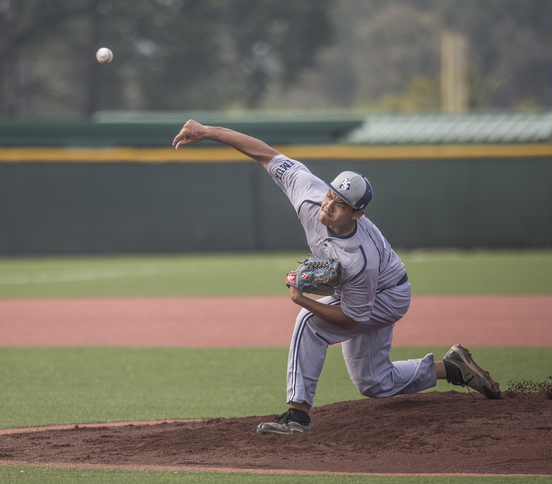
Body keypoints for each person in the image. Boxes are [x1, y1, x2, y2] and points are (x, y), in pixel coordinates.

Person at [172, 120, 501, 434]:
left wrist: (304, 299)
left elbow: (349, 318)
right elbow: (264, 154)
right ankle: (453, 368)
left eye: (340, 204)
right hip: (358, 285)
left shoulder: (360, 258)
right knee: (373, 382)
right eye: (330, 195)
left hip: (386, 295)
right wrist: (207, 131)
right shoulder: (309, 194)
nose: (328, 206)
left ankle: (298, 415)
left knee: (308, 323)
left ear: (357, 213)